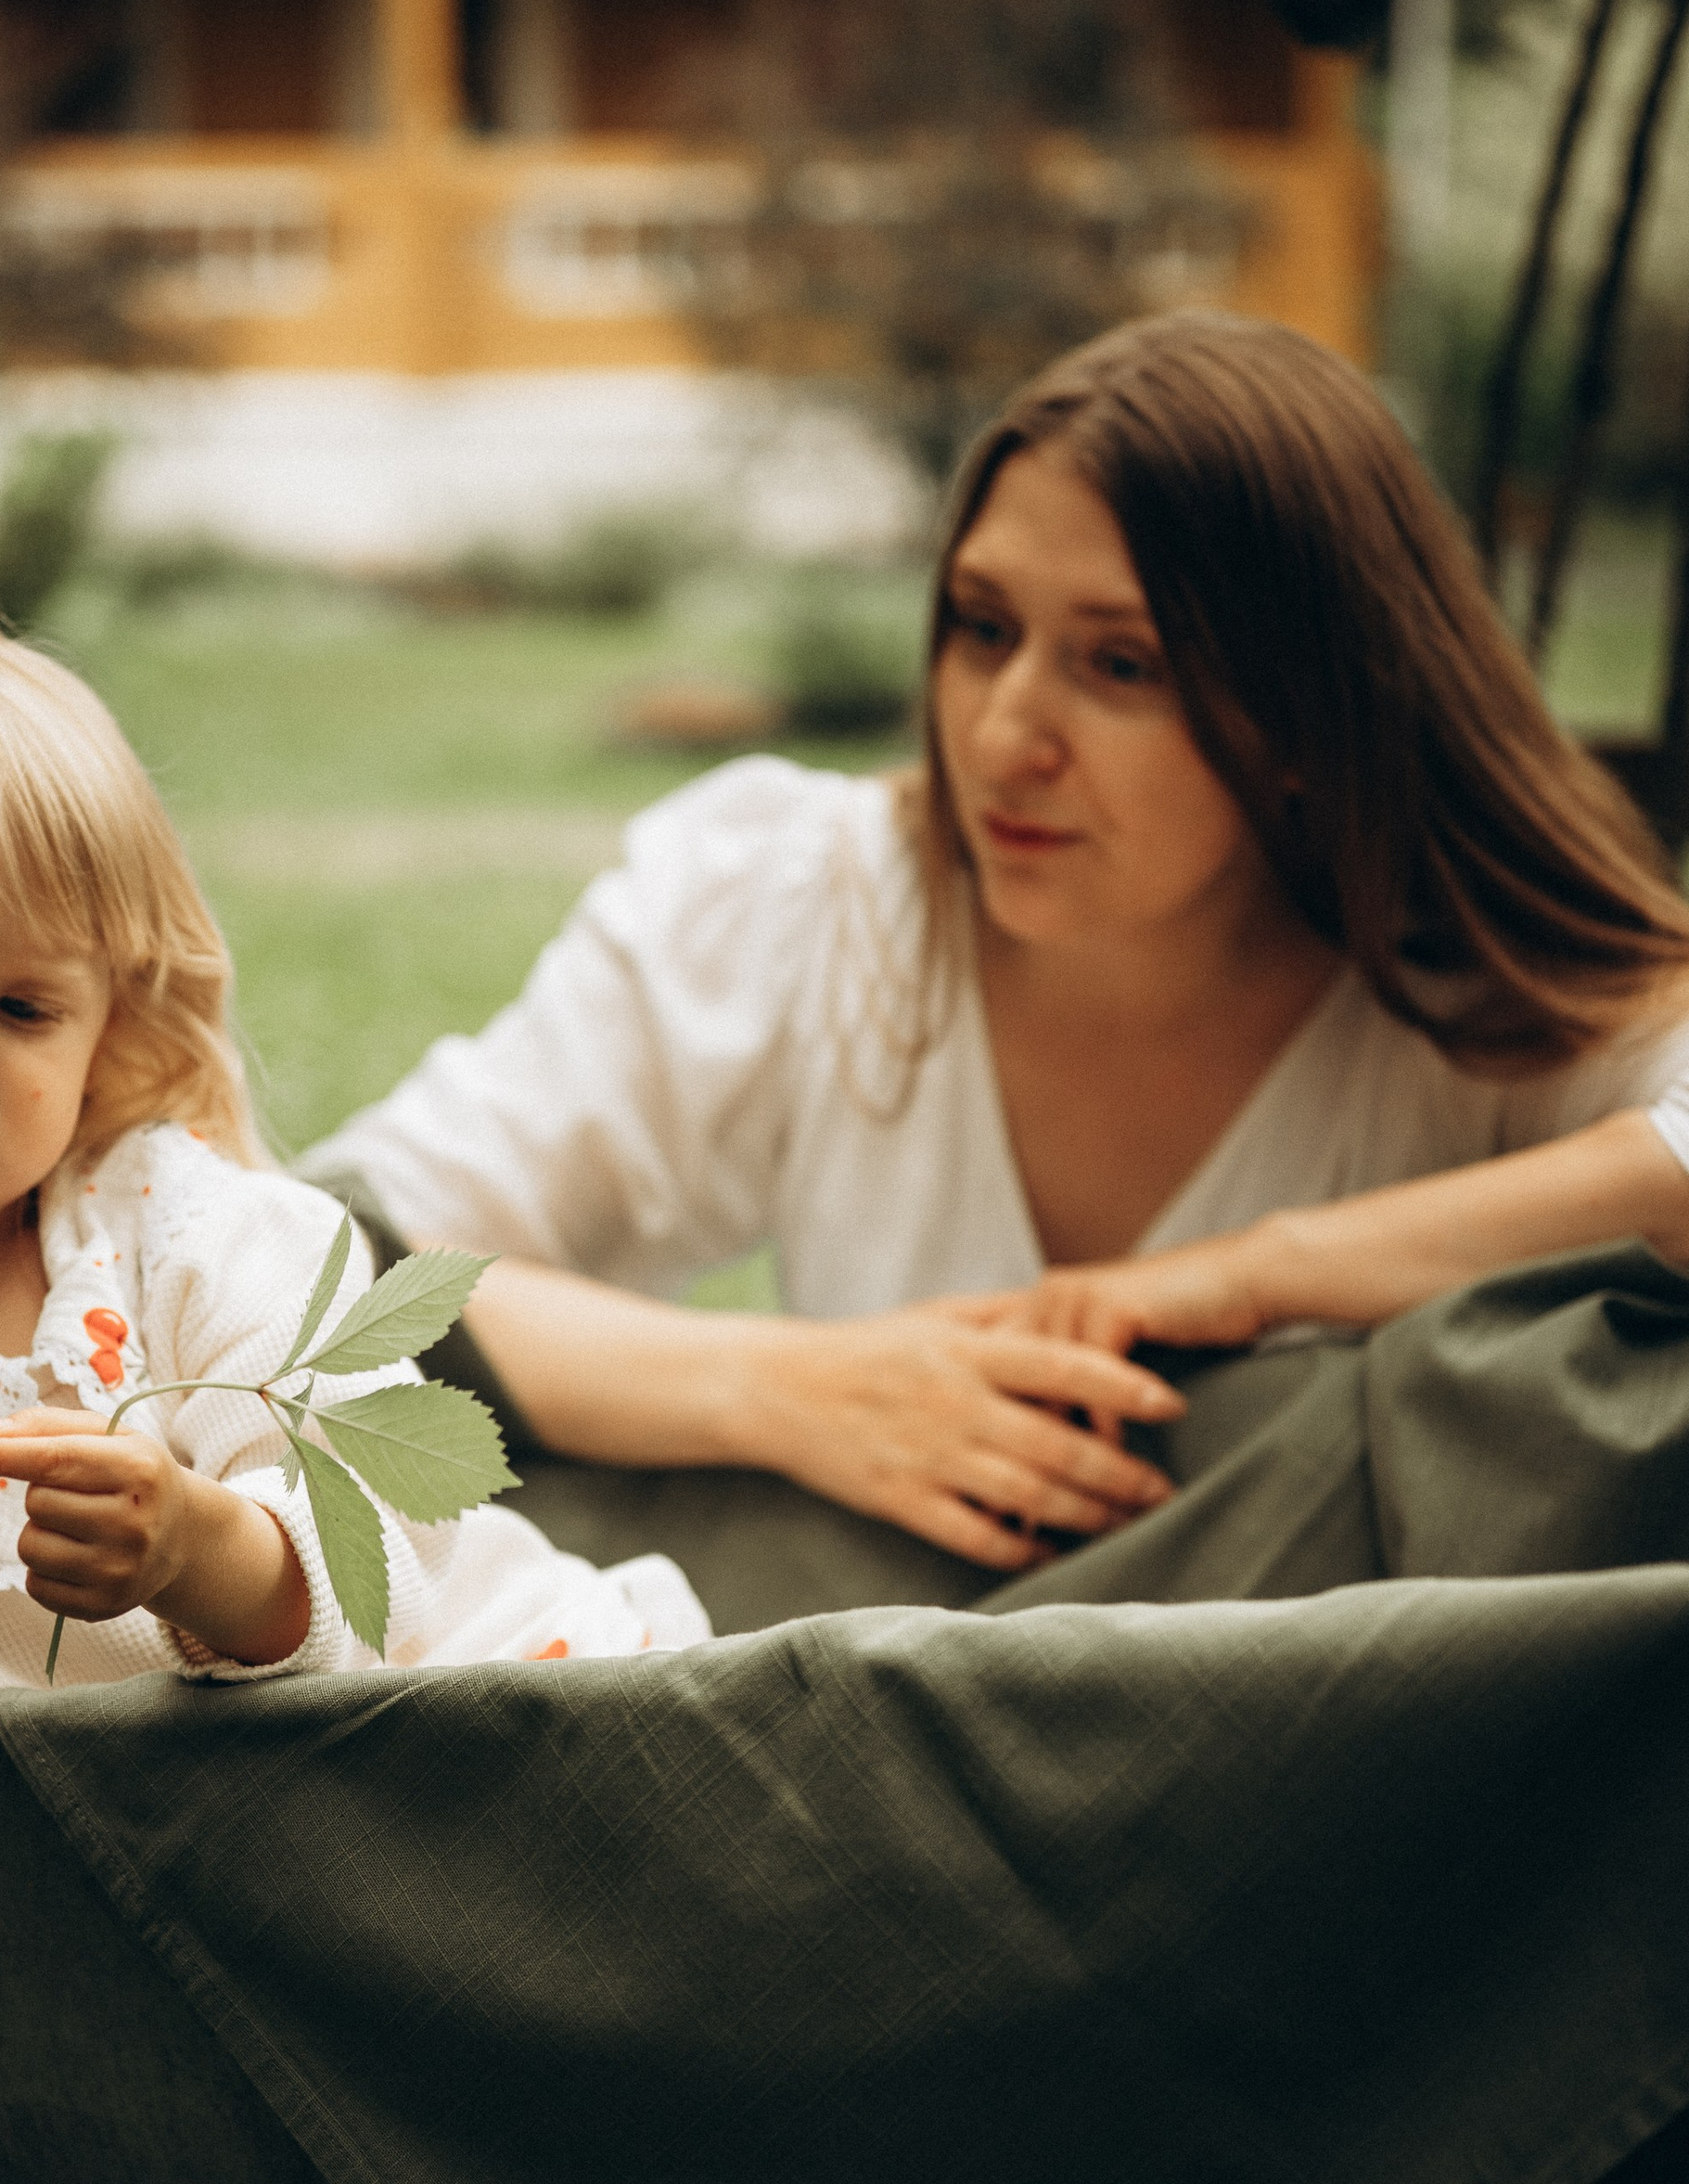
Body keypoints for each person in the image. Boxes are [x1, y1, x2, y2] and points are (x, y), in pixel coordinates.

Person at [319, 314, 1689, 1575]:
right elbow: (333, 1266)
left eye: (1122, 664)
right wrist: (793, 1390)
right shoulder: (800, 903)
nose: (1001, 737)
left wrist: (1261, 1272)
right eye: (983, 628)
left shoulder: (1468, 983)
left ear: (1310, 710)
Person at [0, 614, 705, 1812]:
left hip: (541, 1713)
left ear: (104, 1021)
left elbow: (391, 1568)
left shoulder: (182, 1233)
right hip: (259, 1895)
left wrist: (192, 1546)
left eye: (24, 1009)